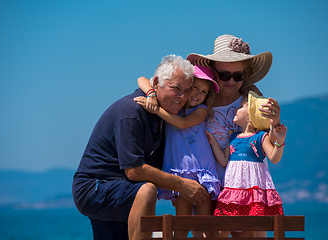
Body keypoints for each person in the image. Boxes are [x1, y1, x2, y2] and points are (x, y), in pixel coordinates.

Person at [72, 54, 211, 240]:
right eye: (176, 88)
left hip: (122, 189)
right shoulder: (132, 111)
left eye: (186, 90)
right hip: (96, 187)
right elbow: (134, 171)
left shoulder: (164, 115)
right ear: (156, 83)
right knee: (147, 190)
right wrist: (182, 185)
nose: (183, 96)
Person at [187, 34, 281, 238]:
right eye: (224, 75)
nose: (231, 81)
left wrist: (275, 121)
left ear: (245, 76)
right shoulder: (200, 101)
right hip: (209, 184)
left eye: (238, 76)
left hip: (246, 188)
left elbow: (269, 142)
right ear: (213, 72)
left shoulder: (253, 102)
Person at [134, 65, 221, 237]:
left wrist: (156, 109)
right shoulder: (173, 106)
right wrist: (152, 95)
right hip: (181, 173)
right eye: (195, 88)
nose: (198, 94)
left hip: (204, 170)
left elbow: (181, 124)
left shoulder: (201, 110)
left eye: (204, 92)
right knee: (181, 225)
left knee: (205, 226)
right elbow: (141, 79)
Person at [207, 91, 286, 237]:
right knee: (222, 229)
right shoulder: (233, 137)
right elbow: (224, 160)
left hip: (252, 194)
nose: (236, 109)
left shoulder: (261, 137)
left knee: (249, 232)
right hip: (232, 192)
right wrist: (213, 142)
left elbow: (274, 158)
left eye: (242, 107)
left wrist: (279, 142)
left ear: (251, 116)